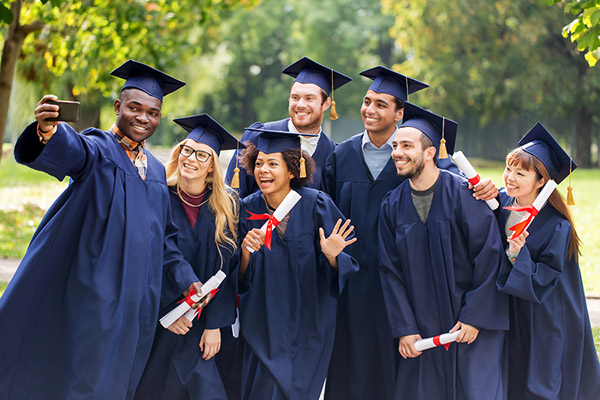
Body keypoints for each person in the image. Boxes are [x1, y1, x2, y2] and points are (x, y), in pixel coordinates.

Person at [0, 60, 208, 400]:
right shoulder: (99, 150)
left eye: (153, 112)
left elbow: (166, 240)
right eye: (135, 108)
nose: (143, 118)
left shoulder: (155, 172)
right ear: (117, 107)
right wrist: (49, 131)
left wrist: (186, 277)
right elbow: (74, 150)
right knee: (86, 378)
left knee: (121, 382)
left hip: (136, 306)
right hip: (97, 298)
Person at [321, 66, 496, 400]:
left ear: (399, 114)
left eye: (381, 104)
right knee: (352, 364)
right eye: (366, 101)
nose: (370, 110)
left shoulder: (416, 159)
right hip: (353, 282)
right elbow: (325, 213)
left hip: (408, 285)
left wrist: (490, 190)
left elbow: (455, 192)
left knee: (403, 368)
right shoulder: (340, 156)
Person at [377, 103, 508, 399]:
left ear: (430, 152)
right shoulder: (392, 205)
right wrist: (404, 328)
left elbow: (489, 256)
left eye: (407, 145)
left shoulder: (464, 195)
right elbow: (390, 272)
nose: (397, 152)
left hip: (467, 327)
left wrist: (476, 316)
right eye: (395, 145)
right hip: (421, 332)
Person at [236, 128, 359, 399]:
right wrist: (246, 251)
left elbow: (342, 268)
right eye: (258, 163)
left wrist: (331, 254)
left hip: (309, 326)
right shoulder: (245, 210)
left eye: (272, 163)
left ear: (292, 169)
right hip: (262, 326)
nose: (263, 170)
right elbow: (238, 279)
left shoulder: (317, 205)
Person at [134, 114, 242, 400]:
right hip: (159, 320)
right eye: (187, 149)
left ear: (211, 167)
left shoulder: (227, 207)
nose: (191, 158)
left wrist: (214, 324)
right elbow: (145, 261)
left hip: (202, 325)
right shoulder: (157, 196)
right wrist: (166, 315)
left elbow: (227, 270)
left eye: (202, 154)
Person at [494, 122, 600, 399]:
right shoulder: (500, 204)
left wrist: (518, 254)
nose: (510, 177)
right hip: (514, 307)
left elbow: (545, 276)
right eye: (509, 168)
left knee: (544, 379)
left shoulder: (557, 224)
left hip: (549, 312)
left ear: (541, 181)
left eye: (520, 173)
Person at [225, 57, 352, 196]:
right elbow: (233, 194)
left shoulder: (333, 153)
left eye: (309, 98)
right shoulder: (259, 135)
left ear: (326, 104)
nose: (301, 104)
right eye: (295, 97)